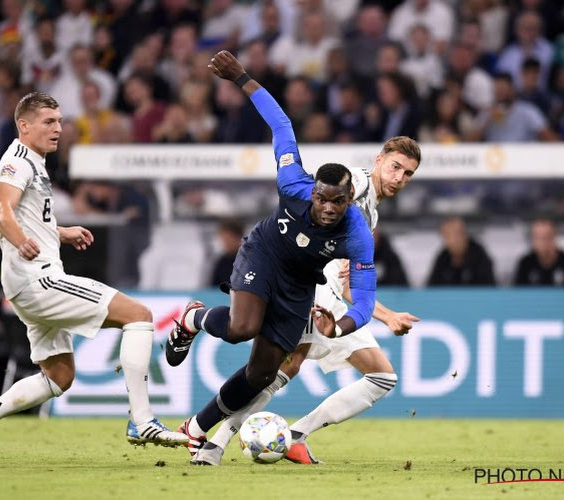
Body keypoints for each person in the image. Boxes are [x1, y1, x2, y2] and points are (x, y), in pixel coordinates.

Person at [0, 92, 187, 467]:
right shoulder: (17, 161)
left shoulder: (35, 163)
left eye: (59, 121)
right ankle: (142, 420)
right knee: (138, 315)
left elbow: (26, 216)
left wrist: (58, 231)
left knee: (59, 375)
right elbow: (1, 211)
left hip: (28, 285)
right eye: (48, 122)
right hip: (39, 279)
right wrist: (21, 240)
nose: (58, 128)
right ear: (24, 126)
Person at [165, 50, 380, 460]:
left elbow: (366, 298)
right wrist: (242, 77)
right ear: (312, 191)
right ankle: (193, 318)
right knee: (242, 327)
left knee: (262, 373)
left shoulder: (357, 236)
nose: (328, 208)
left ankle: (197, 428)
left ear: (349, 197)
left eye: (337, 201)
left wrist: (338, 328)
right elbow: (282, 124)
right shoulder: (291, 182)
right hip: (263, 255)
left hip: (299, 284)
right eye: (321, 198)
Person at [192, 136, 421, 466]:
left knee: (378, 377)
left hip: (329, 299)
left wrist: (386, 315)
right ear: (379, 160)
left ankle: (293, 436)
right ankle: (216, 442)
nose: (400, 177)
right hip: (310, 292)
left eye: (408, 173)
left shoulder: (371, 212)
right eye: (395, 166)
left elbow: (350, 285)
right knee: (279, 366)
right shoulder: (356, 184)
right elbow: (331, 191)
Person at [427, 216, 495, 286]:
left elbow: (489, 287)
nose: (456, 239)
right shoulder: (442, 257)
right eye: (450, 234)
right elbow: (431, 288)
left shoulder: (479, 255)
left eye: (459, 233)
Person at [514, 218, 564, 287]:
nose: (544, 242)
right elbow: (517, 293)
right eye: (539, 237)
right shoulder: (525, 263)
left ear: (555, 236)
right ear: (532, 239)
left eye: (548, 236)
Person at [209, 218, 244, 287]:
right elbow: (212, 288)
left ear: (238, 238)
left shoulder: (250, 262)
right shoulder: (221, 262)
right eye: (223, 240)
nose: (225, 244)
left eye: (228, 239)